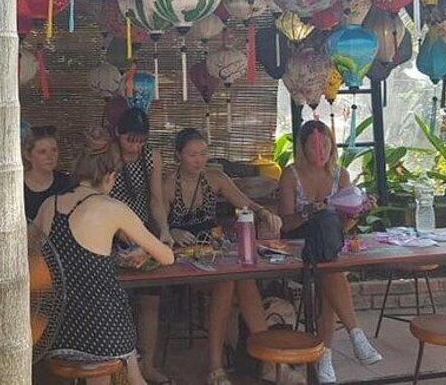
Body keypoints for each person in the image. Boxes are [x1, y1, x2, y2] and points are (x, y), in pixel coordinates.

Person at [35, 127, 175, 385]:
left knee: (131, 373)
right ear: (110, 177)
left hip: (58, 328)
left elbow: (37, 258)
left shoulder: (49, 205)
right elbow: (166, 257)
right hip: (104, 325)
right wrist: (145, 249)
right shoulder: (112, 208)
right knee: (129, 372)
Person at [162, 128, 301, 385]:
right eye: (192, 155)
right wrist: (171, 230)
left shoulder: (214, 178)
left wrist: (264, 213)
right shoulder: (168, 185)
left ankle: (267, 363)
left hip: (214, 253)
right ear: (178, 155)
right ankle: (217, 367)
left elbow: (246, 202)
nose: (199, 160)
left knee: (241, 279)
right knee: (228, 280)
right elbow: (155, 224)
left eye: (203, 154)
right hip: (183, 261)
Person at [278, 120, 382, 384]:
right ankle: (348, 339)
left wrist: (358, 211)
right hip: (299, 248)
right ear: (302, 149)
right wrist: (309, 211)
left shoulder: (341, 175)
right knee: (329, 254)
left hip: (327, 250)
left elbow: (343, 226)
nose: (320, 152)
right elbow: (285, 224)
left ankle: (326, 357)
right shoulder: (291, 175)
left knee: (329, 259)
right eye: (313, 147)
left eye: (325, 145)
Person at [109, 108, 172, 383]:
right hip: (112, 234)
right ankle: (118, 369)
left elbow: (156, 199)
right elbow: (103, 199)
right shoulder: (109, 156)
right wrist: (122, 233)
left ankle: (147, 364)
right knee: (118, 300)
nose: (135, 146)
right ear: (117, 135)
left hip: (143, 232)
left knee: (150, 300)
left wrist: (164, 231)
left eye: (140, 140)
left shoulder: (151, 157)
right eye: (129, 140)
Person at [22, 125, 71, 221]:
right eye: (42, 152)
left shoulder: (66, 184)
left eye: (54, 150)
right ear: (28, 155)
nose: (50, 156)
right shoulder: (16, 187)